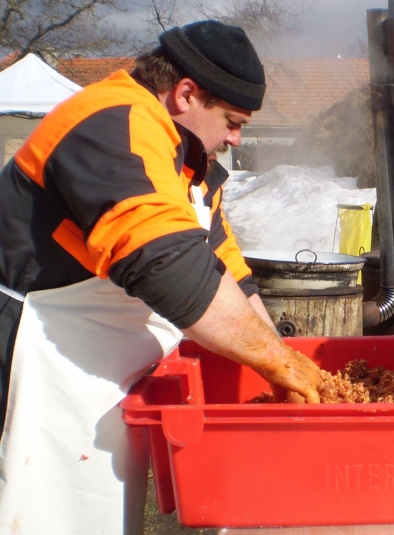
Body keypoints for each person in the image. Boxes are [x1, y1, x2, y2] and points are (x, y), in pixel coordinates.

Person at [0, 20, 321, 533]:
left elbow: (224, 264)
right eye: (233, 121)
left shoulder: (189, 159)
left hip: (102, 371)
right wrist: (280, 365)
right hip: (32, 355)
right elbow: (166, 262)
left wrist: (289, 359)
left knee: (100, 511)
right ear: (186, 93)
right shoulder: (111, 121)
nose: (236, 137)